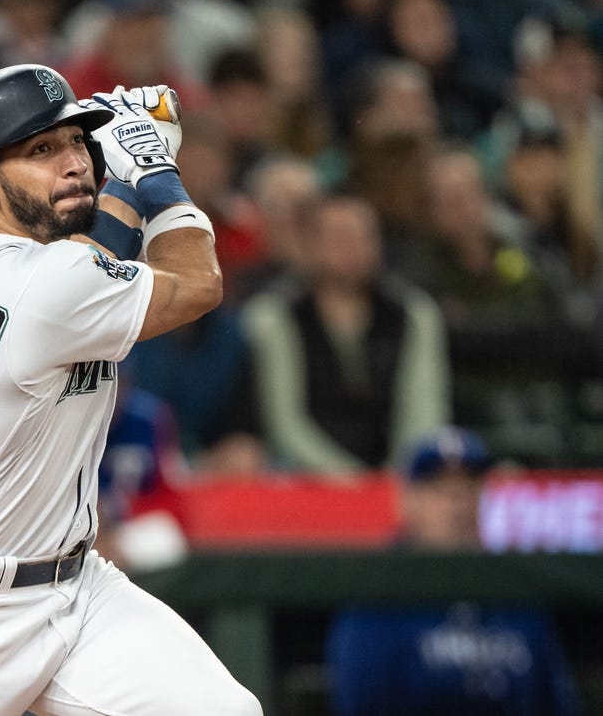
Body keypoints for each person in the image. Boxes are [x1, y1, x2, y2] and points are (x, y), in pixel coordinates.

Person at [0, 64, 261, 715]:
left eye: (75, 141)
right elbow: (198, 280)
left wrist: (117, 169)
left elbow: (99, 254)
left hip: (77, 589)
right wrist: (151, 166)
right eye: (41, 150)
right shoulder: (41, 290)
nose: (73, 161)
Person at [326, 425, 582, 716]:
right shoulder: (377, 589)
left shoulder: (513, 586)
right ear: (408, 501)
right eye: (439, 488)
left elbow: (555, 702)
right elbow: (360, 703)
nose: (456, 503)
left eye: (468, 487)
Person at [228, 193, 450, 477]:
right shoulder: (273, 316)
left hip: (397, 480)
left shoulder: (414, 313)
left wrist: (399, 476)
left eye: (365, 237)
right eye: (340, 237)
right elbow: (285, 423)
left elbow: (423, 408)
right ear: (308, 244)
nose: (353, 248)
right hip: (305, 478)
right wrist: (350, 482)